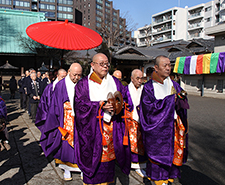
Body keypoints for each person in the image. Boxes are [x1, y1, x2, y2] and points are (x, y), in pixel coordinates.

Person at [74, 53, 131, 184]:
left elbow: (126, 99)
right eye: (101, 64)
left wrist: (118, 105)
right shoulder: (83, 84)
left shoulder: (115, 82)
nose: (105, 66)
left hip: (112, 129)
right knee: (94, 161)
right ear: (92, 65)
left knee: (109, 161)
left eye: (107, 64)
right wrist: (99, 106)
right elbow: (79, 106)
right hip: (93, 130)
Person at [139, 55, 189, 185]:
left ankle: (167, 180)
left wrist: (181, 99)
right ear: (156, 68)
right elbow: (148, 109)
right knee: (158, 162)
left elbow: (181, 102)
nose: (168, 68)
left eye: (169, 65)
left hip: (172, 128)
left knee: (172, 157)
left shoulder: (174, 84)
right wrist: (171, 100)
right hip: (157, 130)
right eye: (165, 65)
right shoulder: (149, 87)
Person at [41, 63, 82, 181]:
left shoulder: (83, 84)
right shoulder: (60, 85)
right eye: (74, 75)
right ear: (69, 71)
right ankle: (67, 169)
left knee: (82, 143)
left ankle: (81, 167)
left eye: (79, 75)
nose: (76, 78)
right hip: (65, 119)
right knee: (66, 145)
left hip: (80, 120)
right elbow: (54, 104)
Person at [125, 69, 147, 177]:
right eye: (137, 78)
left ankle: (141, 164)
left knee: (142, 143)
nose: (140, 81)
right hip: (130, 121)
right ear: (132, 78)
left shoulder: (145, 90)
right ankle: (133, 164)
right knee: (131, 143)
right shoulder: (126, 90)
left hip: (142, 121)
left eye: (141, 78)